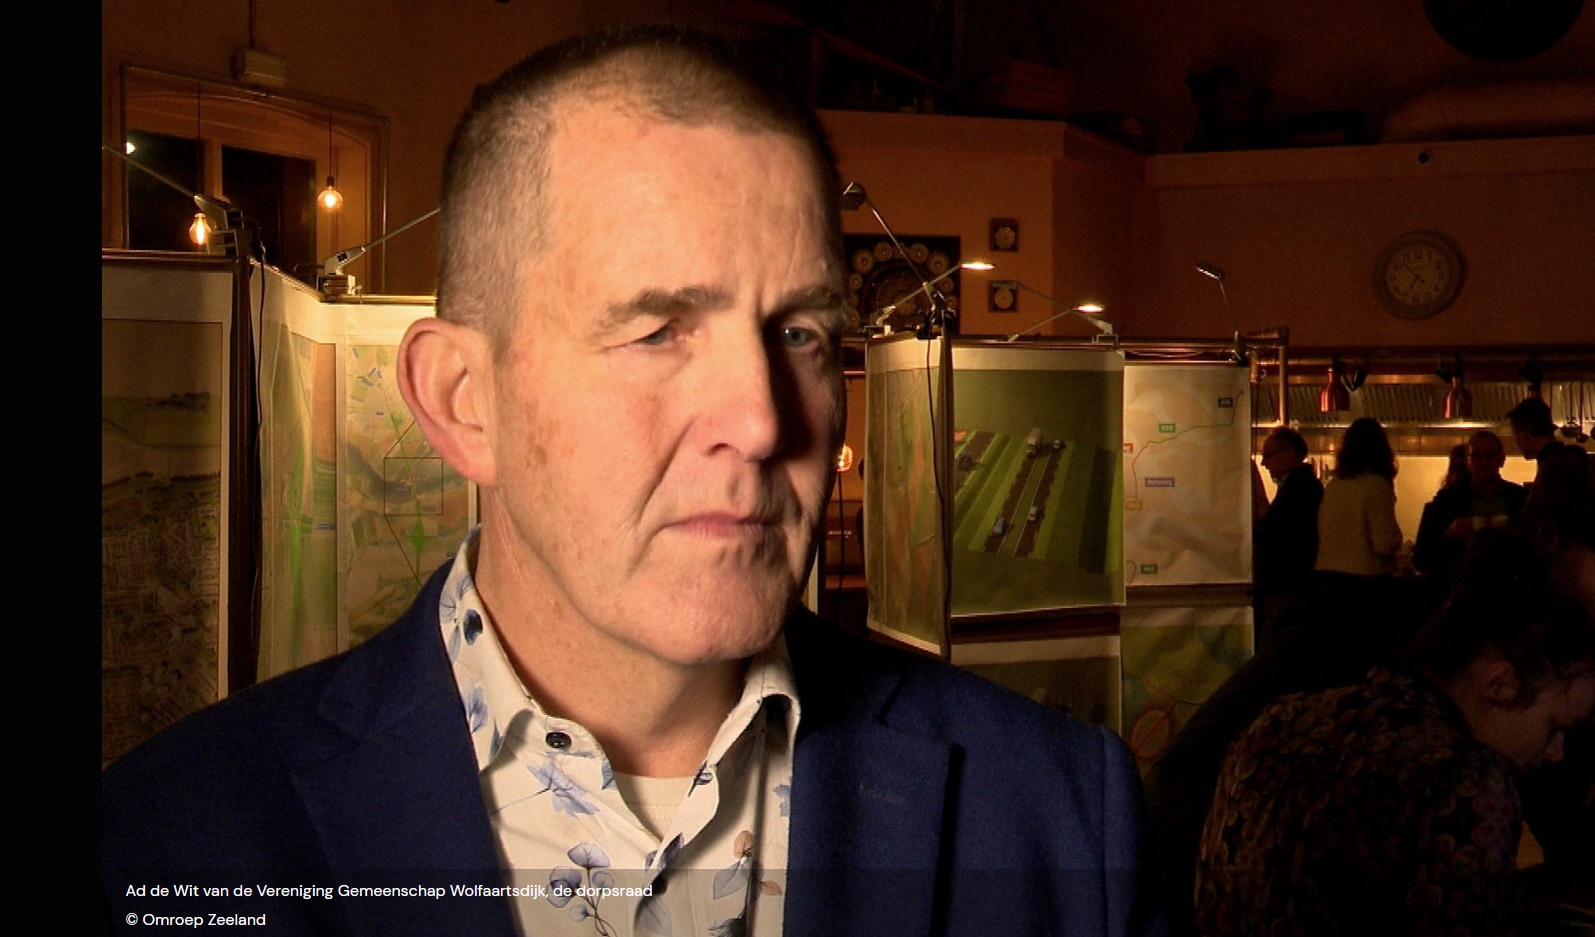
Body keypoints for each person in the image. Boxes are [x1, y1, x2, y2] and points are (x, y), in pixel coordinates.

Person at [101, 25, 1166, 937]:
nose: (762, 421)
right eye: (657, 331)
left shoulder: (1059, 817)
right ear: (465, 401)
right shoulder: (168, 842)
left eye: (800, 332)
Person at [1194, 530, 1595, 936]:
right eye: (1555, 727)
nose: (1558, 752)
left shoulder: (1281, 720)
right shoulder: (1465, 779)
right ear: (1500, 683)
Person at [1412, 431, 1529, 589]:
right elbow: (1422, 559)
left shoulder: (1520, 498)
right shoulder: (1447, 500)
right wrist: (1450, 534)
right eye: (1476, 455)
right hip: (1461, 588)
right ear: (1468, 461)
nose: (1483, 461)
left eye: (1490, 455)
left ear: (1501, 460)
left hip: (1510, 588)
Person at [1250, 426, 1323, 646]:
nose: (1264, 463)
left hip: (1286, 585)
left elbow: (1283, 537)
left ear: (1289, 454)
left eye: (1268, 455)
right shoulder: (1300, 487)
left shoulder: (1300, 490)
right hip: (1289, 584)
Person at [1315, 417, 1403, 583]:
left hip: (1327, 576)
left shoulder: (1334, 485)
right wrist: (1398, 540)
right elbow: (1384, 543)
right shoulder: (1376, 484)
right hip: (1364, 580)